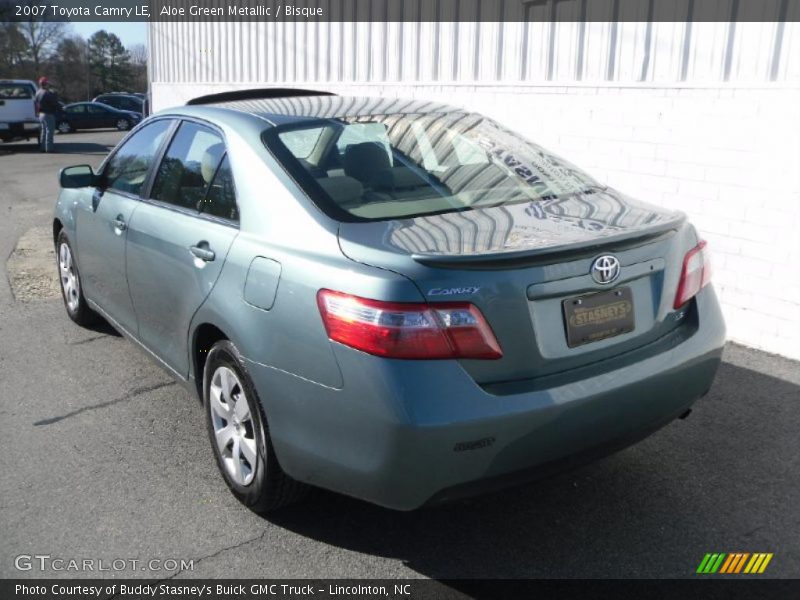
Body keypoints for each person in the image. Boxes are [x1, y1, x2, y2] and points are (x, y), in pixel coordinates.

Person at [34, 77, 59, 153]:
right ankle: (49, 149)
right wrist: (55, 94)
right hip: (48, 114)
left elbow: (36, 103)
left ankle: (42, 148)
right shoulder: (47, 93)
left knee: (44, 132)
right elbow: (54, 103)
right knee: (49, 132)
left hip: (41, 114)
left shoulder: (38, 92)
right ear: (46, 84)